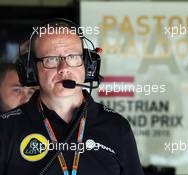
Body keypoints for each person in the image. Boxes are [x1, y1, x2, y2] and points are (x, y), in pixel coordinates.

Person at [0, 19, 144, 175]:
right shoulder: (6, 128)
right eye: (51, 59)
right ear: (32, 70)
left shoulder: (117, 127)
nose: (64, 68)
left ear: (88, 65)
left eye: (73, 57)